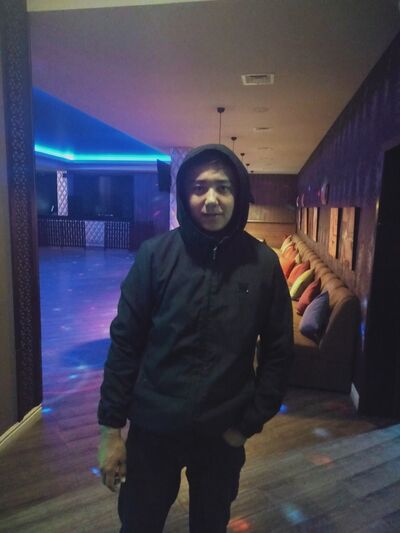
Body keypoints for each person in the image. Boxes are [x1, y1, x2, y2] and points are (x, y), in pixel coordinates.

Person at [97, 144, 294, 533]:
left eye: (223, 187)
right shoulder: (155, 256)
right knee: (138, 523)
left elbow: (279, 353)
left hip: (222, 432)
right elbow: (125, 344)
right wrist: (110, 430)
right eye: (199, 188)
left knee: (210, 524)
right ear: (185, 195)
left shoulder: (262, 265)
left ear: (238, 195)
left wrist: (248, 423)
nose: (211, 199)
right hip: (152, 430)